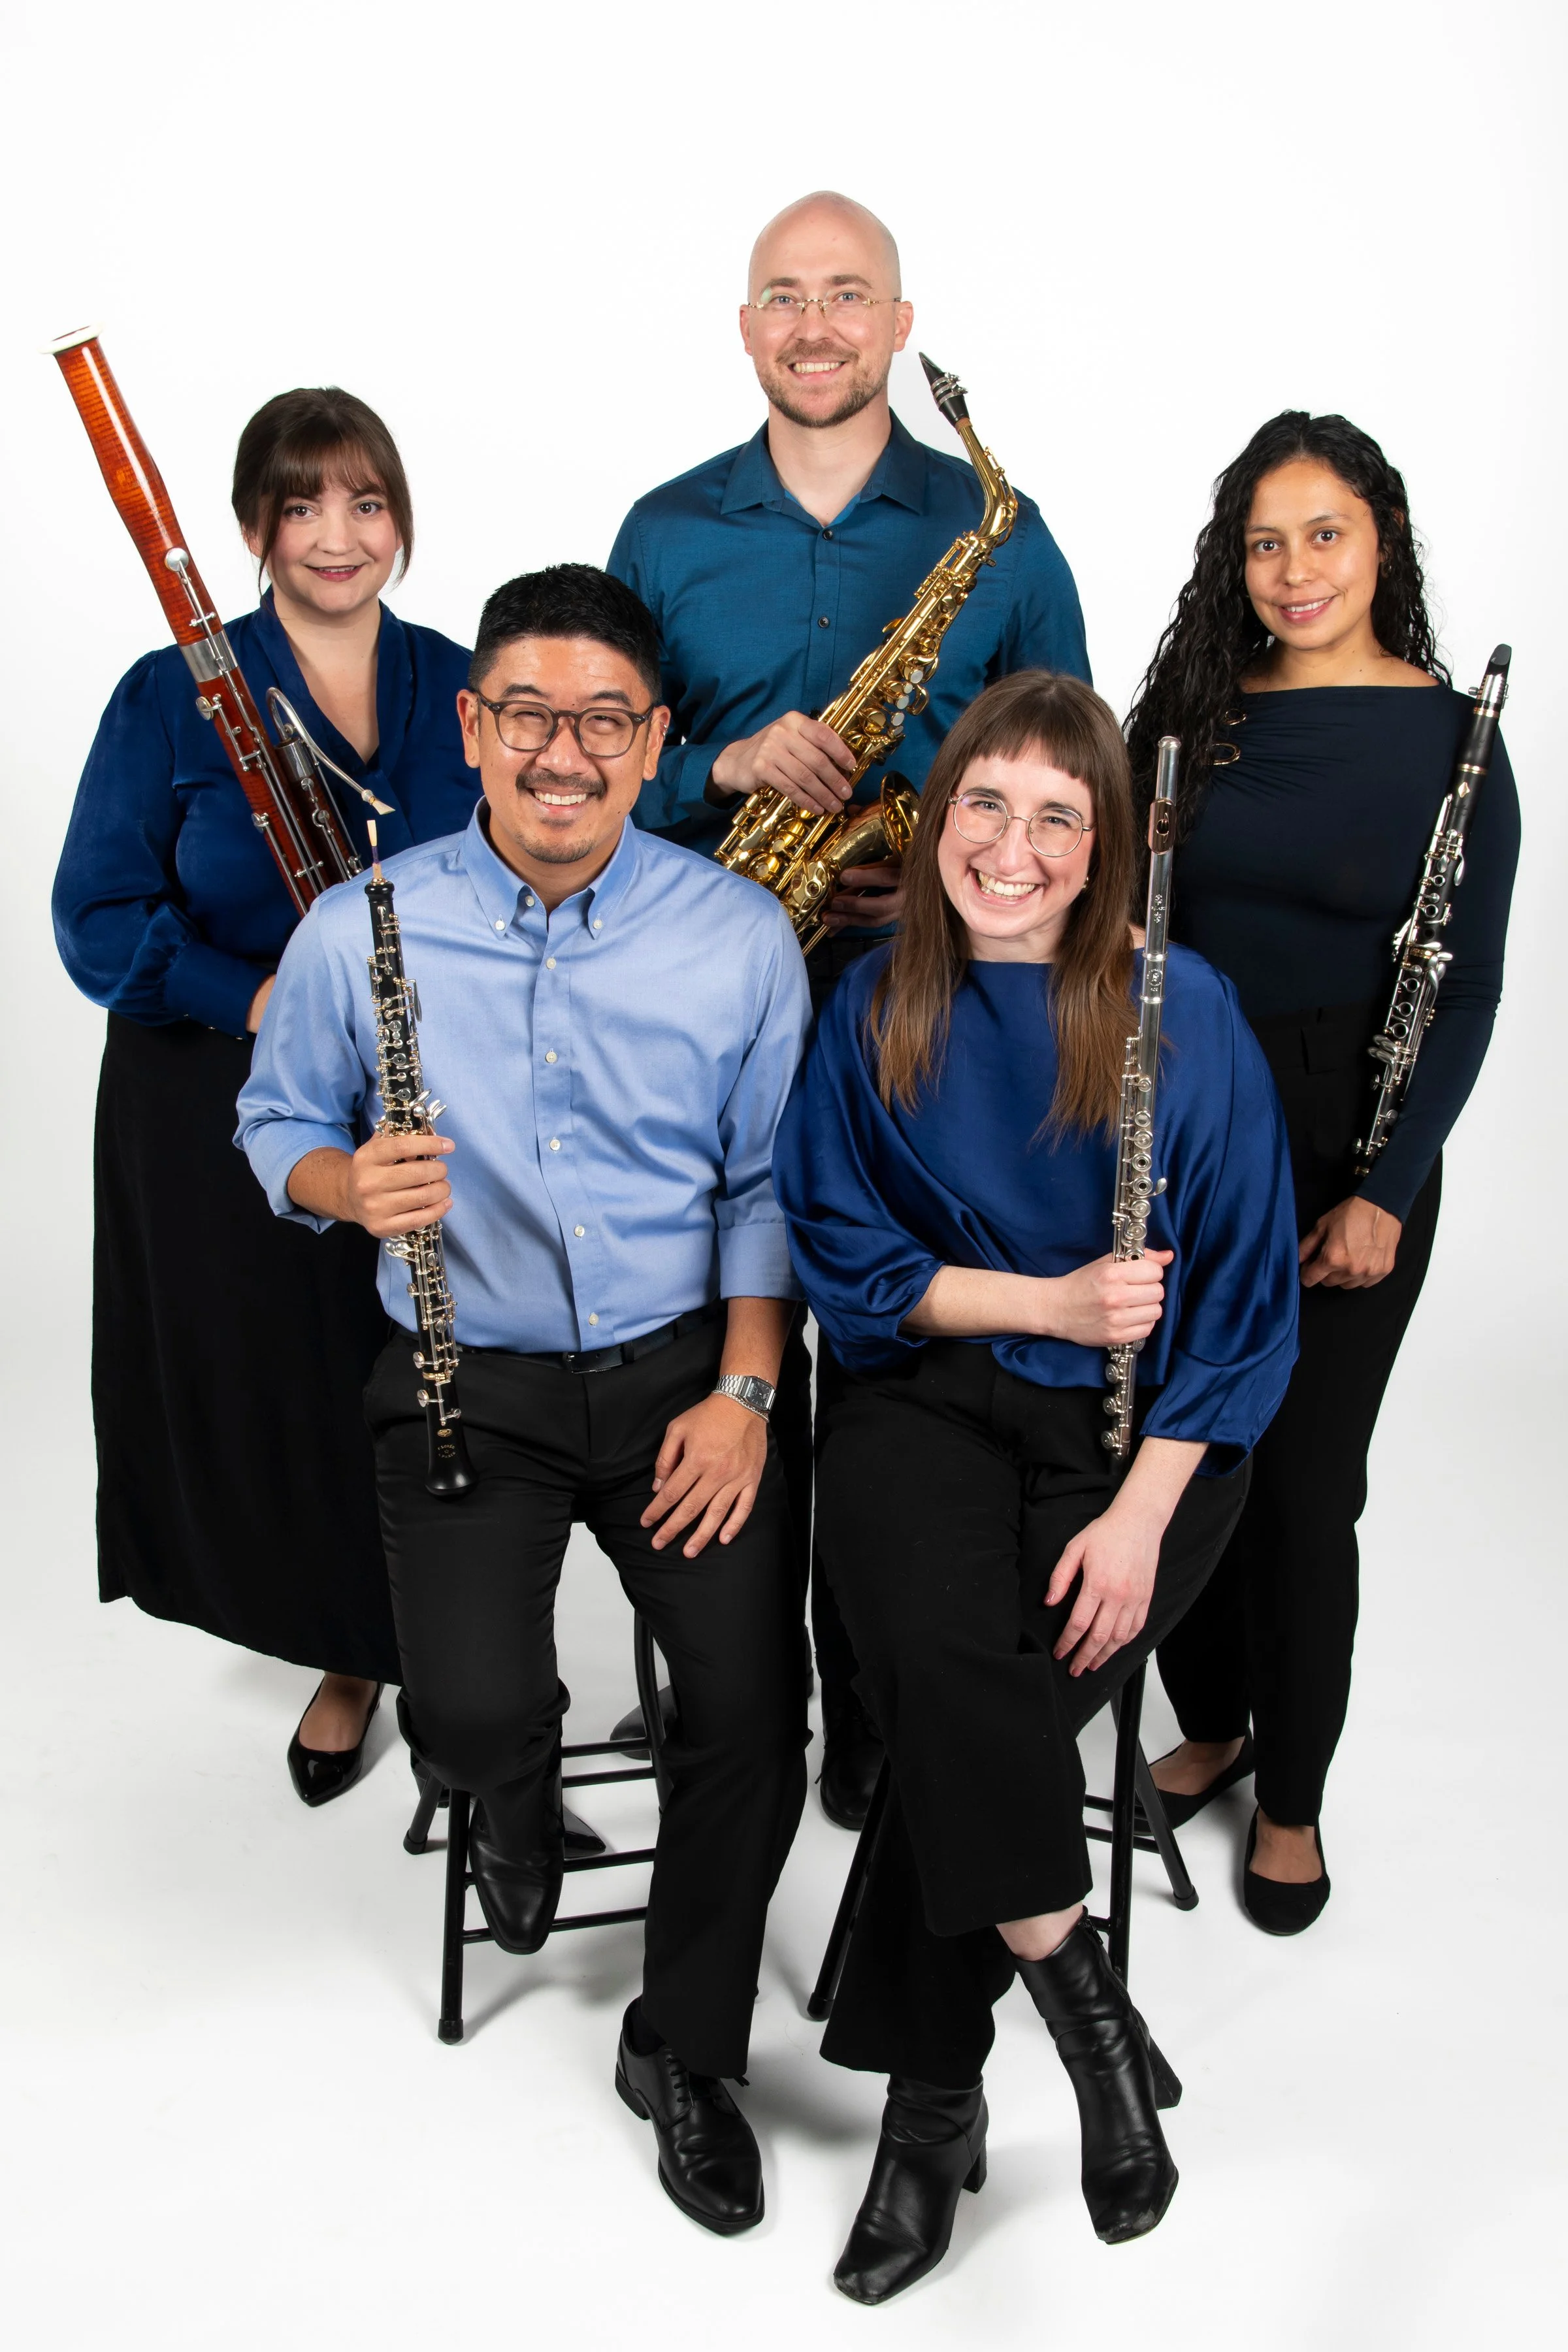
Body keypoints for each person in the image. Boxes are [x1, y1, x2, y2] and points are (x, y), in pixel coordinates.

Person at [238, 564, 811, 2235]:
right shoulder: (365, 926)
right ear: (477, 731)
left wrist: (750, 1393)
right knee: (475, 1715)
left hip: (681, 1383)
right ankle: (505, 1789)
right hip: (458, 1380)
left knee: (751, 1723)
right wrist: (351, 1189)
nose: (566, 753)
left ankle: (685, 2049)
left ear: (653, 746)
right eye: (530, 716)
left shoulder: (738, 935)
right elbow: (275, 1126)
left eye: (606, 722)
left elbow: (766, 1188)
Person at [774, 670, 1299, 2302]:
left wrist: (1142, 1516)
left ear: (1105, 847)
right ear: (940, 825)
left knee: (971, 1710)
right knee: (946, 1668)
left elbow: (1243, 1300)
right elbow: (846, 1260)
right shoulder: (870, 999)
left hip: (1149, 1437)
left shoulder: (1179, 1008)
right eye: (984, 806)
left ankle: (931, 2117)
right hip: (920, 1400)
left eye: (1056, 819)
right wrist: (1051, 1302)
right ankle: (1091, 2018)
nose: (1014, 847)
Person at [609, 188, 1092, 1826]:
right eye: (782, 296)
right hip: (701, 997)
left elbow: (1072, 766)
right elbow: (596, 766)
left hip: (923, 1003)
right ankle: (734, 1687)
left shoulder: (998, 535)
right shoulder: (665, 532)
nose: (814, 324)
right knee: (715, 1338)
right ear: (745, 327)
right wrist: (722, 763)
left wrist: (943, 860)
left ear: (898, 322)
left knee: (897, 1351)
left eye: (848, 294)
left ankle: (887, 1687)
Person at [53, 387, 477, 1805]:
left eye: (365, 502)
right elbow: (96, 919)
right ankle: (345, 1654)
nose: (336, 536)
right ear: (253, 530)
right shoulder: (172, 693)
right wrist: (265, 997)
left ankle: (458, 1649)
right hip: (220, 1103)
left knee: (415, 1375)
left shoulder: (463, 681)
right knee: (286, 1382)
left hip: (419, 1094)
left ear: (400, 521)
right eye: (301, 506)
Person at [1127, 412, 1520, 1933]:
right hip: (1193, 1131)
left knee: (1302, 1485)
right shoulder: (1190, 711)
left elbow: (1469, 985)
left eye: (1327, 535)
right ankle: (1211, 1724)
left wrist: (1387, 1187)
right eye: (1266, 542)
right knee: (1182, 1448)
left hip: (1356, 1142)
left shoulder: (1451, 742)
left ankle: (1288, 1793)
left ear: (1385, 543)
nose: (1296, 570)